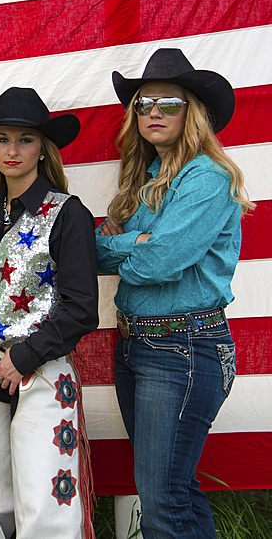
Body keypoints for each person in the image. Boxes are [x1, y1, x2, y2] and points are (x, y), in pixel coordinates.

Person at [96, 48, 251, 539]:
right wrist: (135, 243)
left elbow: (159, 262)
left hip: (183, 347)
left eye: (168, 102)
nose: (154, 112)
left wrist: (132, 245)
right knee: (174, 491)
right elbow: (95, 256)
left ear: (192, 113)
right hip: (138, 346)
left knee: (162, 500)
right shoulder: (141, 179)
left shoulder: (208, 177)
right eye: (144, 104)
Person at [0, 87, 98, 539]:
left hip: (40, 371)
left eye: (25, 140)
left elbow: (82, 307)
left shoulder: (67, 214)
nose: (12, 150)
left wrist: (25, 356)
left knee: (45, 497)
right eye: (2, 138)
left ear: (42, 148)